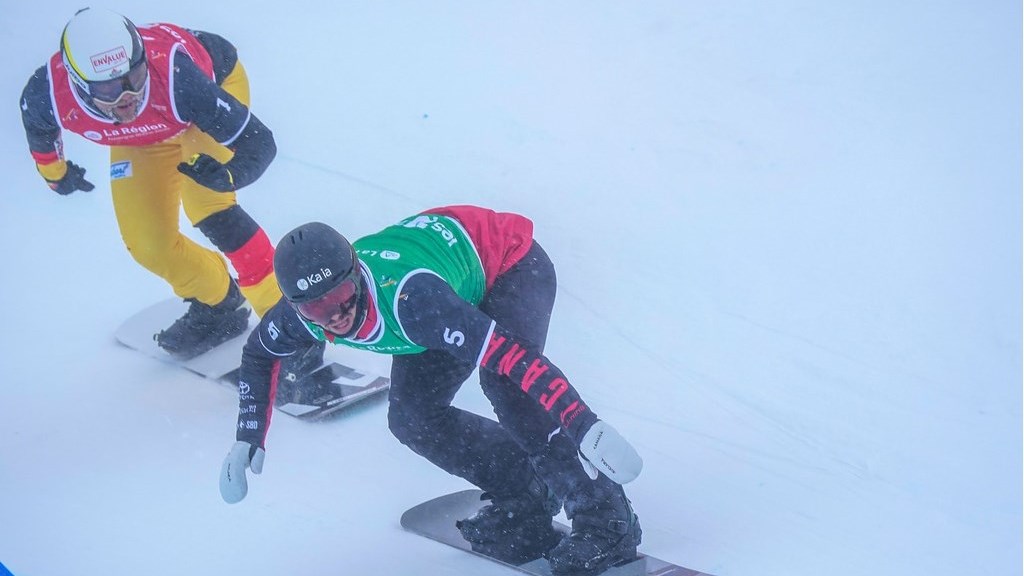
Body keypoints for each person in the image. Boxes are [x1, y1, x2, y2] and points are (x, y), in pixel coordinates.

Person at [218, 205, 644, 575]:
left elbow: (517, 361)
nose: (336, 317)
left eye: (344, 296)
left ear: (358, 277)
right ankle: (526, 487)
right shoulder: (300, 318)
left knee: (509, 388)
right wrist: (248, 434)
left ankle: (605, 516)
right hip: (447, 291)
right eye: (317, 309)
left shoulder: (412, 301)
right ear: (295, 306)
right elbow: (259, 355)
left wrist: (584, 424)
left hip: (507, 264)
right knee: (412, 417)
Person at [19, 8, 293, 360]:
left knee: (211, 209)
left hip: (201, 98)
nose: (128, 95)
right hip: (148, 131)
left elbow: (259, 143)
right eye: (109, 88)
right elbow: (40, 133)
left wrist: (228, 175)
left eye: (134, 75)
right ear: (77, 84)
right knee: (149, 244)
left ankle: (287, 324)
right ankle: (218, 301)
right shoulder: (48, 94)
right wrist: (56, 175)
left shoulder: (177, 79)